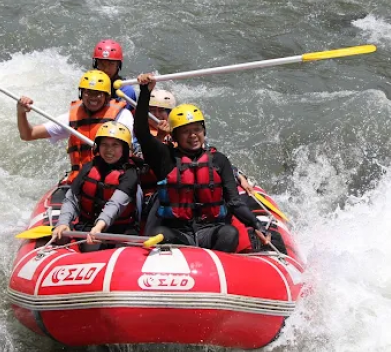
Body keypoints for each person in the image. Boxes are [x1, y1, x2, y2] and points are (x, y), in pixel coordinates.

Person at [133, 74, 270, 253]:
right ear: (174, 136)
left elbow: (234, 202)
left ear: (204, 131)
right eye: (185, 132)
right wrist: (145, 91)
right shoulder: (165, 158)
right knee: (159, 233)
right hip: (179, 233)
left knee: (230, 233)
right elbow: (142, 132)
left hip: (210, 230)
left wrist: (256, 224)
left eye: (197, 130)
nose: (193, 136)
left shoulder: (219, 160)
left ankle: (216, 264)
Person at [17, 70, 133, 183]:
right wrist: (21, 113)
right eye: (88, 92)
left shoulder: (121, 115)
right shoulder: (72, 117)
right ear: (81, 94)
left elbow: (127, 151)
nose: (93, 97)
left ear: (107, 96)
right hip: (80, 180)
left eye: (98, 93)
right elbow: (28, 135)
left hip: (113, 179)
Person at [51, 122, 140, 252]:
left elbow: (116, 204)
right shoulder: (89, 167)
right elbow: (71, 199)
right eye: (104, 144)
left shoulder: (130, 173)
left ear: (124, 148)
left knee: (123, 252)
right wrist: (63, 222)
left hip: (121, 230)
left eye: (115, 145)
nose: (109, 150)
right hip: (89, 227)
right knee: (90, 246)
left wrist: (99, 226)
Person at [92, 39, 137, 106]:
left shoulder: (126, 91)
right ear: (96, 64)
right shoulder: (90, 85)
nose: (106, 69)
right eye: (102, 64)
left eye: (111, 64)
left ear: (118, 65)